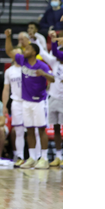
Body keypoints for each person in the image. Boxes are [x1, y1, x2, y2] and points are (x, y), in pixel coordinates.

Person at [4, 29, 55, 169]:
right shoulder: (23, 61)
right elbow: (9, 51)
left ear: (33, 52)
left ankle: (44, 158)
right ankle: (32, 157)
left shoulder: (42, 65)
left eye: (27, 49)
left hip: (39, 101)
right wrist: (8, 37)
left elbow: (53, 79)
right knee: (30, 129)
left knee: (41, 130)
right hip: (26, 101)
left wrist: (43, 74)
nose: (24, 51)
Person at [2, 52, 26, 166]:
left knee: (34, 131)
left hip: (29, 101)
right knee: (18, 131)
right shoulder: (9, 71)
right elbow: (6, 89)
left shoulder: (27, 67)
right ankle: (20, 156)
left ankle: (36, 157)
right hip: (16, 102)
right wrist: (4, 105)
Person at [47, 30, 63, 167]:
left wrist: (54, 41)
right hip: (54, 97)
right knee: (56, 128)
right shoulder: (56, 63)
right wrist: (53, 40)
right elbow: (55, 53)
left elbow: (57, 53)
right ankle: (58, 156)